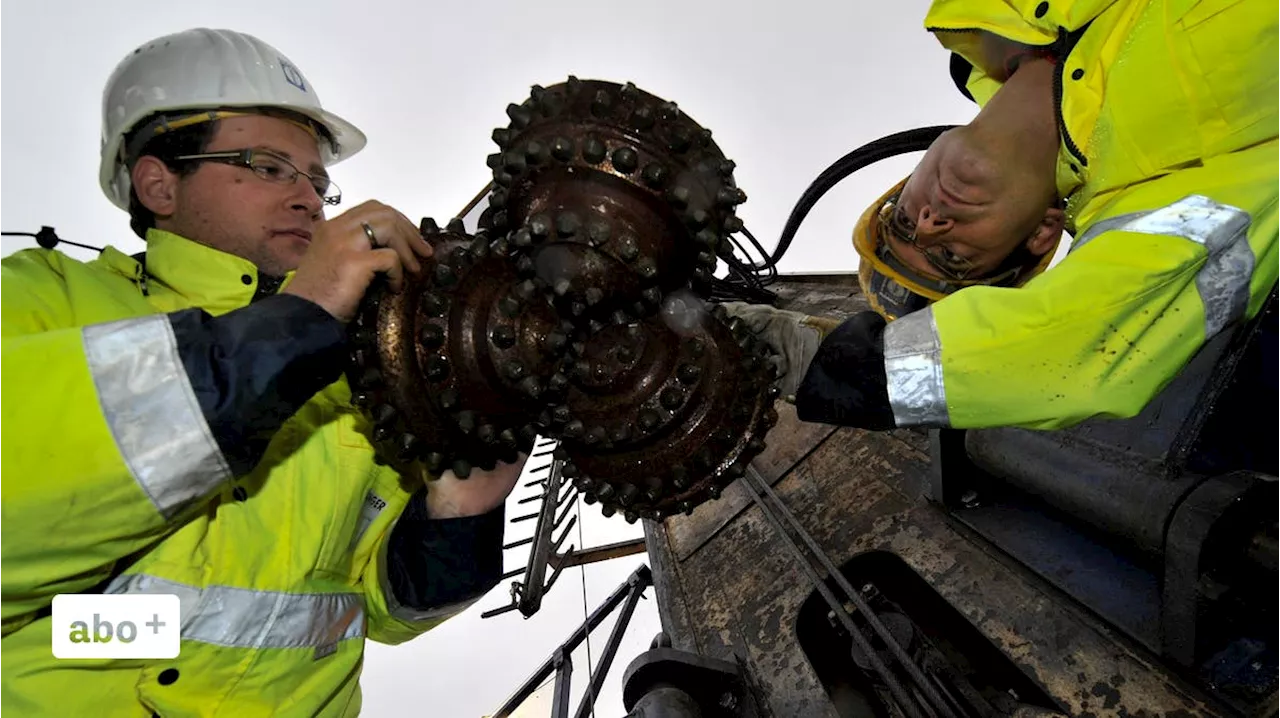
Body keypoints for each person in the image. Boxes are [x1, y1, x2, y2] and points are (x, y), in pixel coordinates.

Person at [0, 28, 524, 716]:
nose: (309, 198)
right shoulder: (42, 298)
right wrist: (298, 321)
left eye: (317, 180)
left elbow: (379, 614)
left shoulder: (356, 370)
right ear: (158, 182)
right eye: (269, 166)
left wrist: (464, 510)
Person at [732, 0, 1279, 433]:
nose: (927, 225)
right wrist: (821, 365)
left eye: (902, 221)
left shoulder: (983, 13)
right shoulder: (1173, 191)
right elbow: (1076, 350)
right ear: (1043, 234)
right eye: (950, 256)